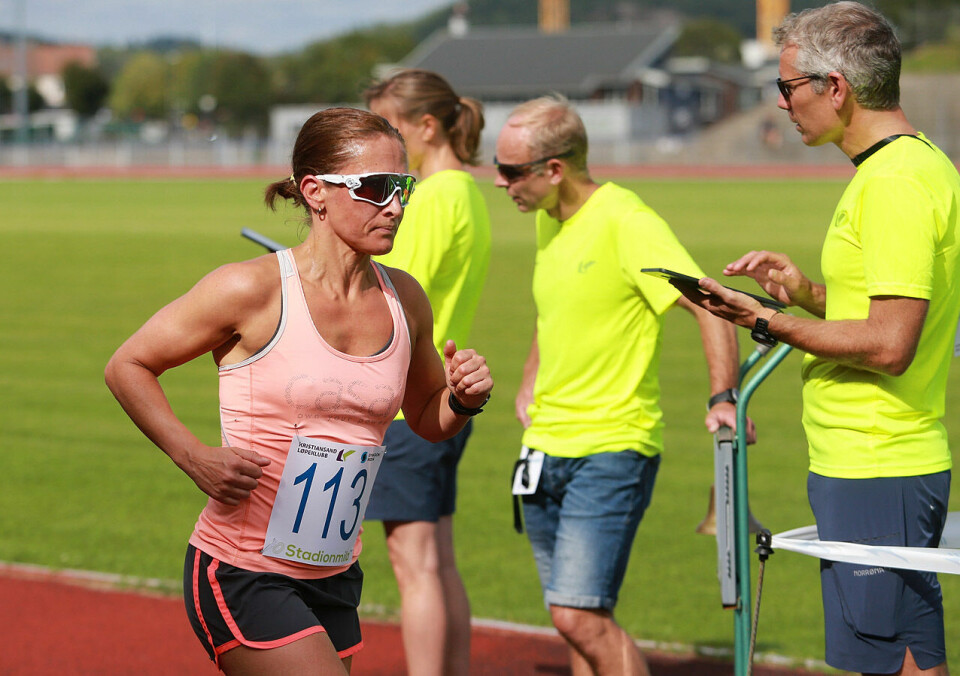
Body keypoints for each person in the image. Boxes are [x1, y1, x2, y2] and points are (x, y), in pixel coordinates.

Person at [104, 107, 493, 676]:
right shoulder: (249, 290)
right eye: (377, 188)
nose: (397, 206)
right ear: (316, 192)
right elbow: (128, 364)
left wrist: (461, 398)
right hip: (242, 568)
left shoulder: (404, 299)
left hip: (334, 572)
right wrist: (193, 457)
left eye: (404, 186)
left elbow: (428, 419)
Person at [675, 3, 959, 674]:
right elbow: (886, 307)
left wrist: (763, 321)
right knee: (905, 654)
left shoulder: (893, 185)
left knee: (893, 663)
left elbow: (891, 343)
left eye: (787, 88)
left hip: (877, 458)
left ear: (835, 87)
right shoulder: (909, 169)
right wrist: (805, 296)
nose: (782, 105)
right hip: (873, 457)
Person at [494, 95, 751, 676]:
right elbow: (554, 307)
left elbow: (711, 306)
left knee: (577, 616)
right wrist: (531, 376)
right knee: (580, 620)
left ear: (554, 169)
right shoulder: (547, 218)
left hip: (612, 449)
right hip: (544, 448)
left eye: (511, 171)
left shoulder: (627, 222)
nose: (498, 181)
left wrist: (722, 396)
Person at [361, 69, 490, 676]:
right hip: (436, 394)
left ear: (427, 126)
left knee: (415, 565)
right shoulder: (464, 192)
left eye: (391, 126)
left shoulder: (437, 196)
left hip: (410, 400)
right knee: (435, 559)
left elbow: (388, 293)